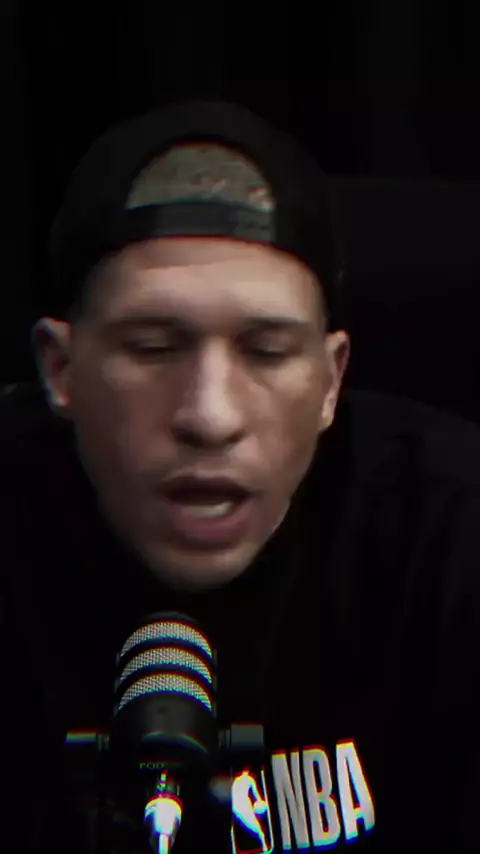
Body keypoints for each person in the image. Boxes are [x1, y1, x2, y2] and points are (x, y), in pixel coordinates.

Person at [1, 99, 480, 854]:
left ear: (330, 381)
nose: (210, 415)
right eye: (154, 347)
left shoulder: (450, 533)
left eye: (266, 351)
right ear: (60, 370)